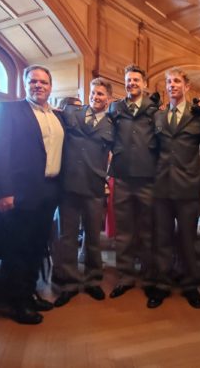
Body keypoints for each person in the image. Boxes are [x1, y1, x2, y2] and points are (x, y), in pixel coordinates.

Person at [0, 64, 64, 324]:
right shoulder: (8, 110)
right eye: (33, 81)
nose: (38, 85)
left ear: (50, 87)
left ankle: (30, 293)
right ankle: (18, 303)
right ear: (25, 84)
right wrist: (3, 191)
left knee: (37, 247)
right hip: (19, 193)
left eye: (43, 82)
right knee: (17, 249)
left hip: (49, 191)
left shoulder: (58, 117)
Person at [52, 78, 114, 307]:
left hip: (94, 187)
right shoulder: (70, 112)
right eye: (93, 92)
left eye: (101, 94)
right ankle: (68, 283)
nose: (96, 97)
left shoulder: (113, 123)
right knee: (67, 237)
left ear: (108, 99)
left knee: (93, 237)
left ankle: (92, 281)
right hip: (68, 185)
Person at [151, 68, 200, 309]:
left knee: (187, 239)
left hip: (188, 187)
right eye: (168, 82)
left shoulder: (198, 116)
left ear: (186, 86)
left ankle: (190, 285)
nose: (172, 85)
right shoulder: (158, 116)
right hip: (162, 187)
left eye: (176, 81)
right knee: (162, 239)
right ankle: (161, 284)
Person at [107, 64, 160, 301]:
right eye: (128, 80)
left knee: (148, 231)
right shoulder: (115, 108)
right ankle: (125, 277)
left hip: (148, 178)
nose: (132, 83)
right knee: (124, 232)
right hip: (122, 177)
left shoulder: (154, 109)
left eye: (136, 80)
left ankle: (149, 278)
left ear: (144, 84)